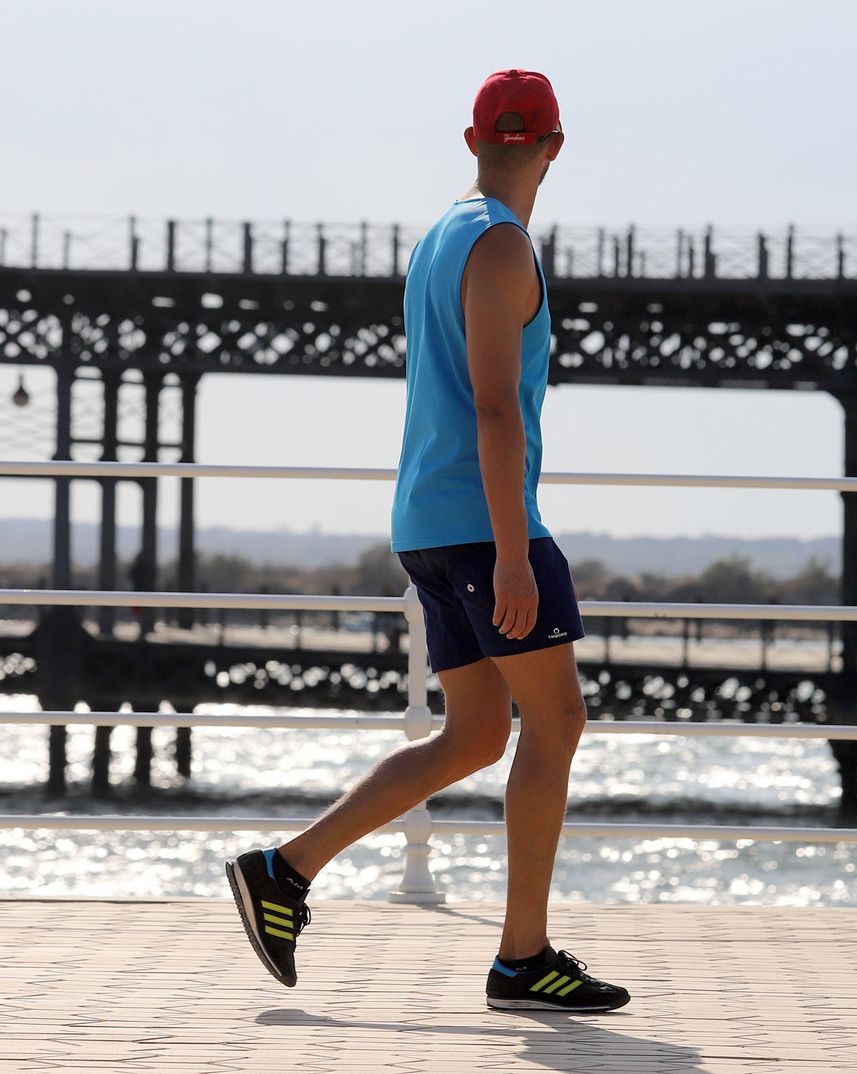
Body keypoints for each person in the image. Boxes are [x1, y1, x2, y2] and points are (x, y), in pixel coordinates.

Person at [227, 69, 629, 1013]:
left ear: (474, 140)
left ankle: (285, 870)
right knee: (558, 722)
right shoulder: (502, 244)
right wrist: (515, 553)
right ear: (556, 146)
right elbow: (495, 407)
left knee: (478, 733)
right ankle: (522, 958)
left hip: (426, 520)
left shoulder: (442, 236)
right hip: (483, 525)